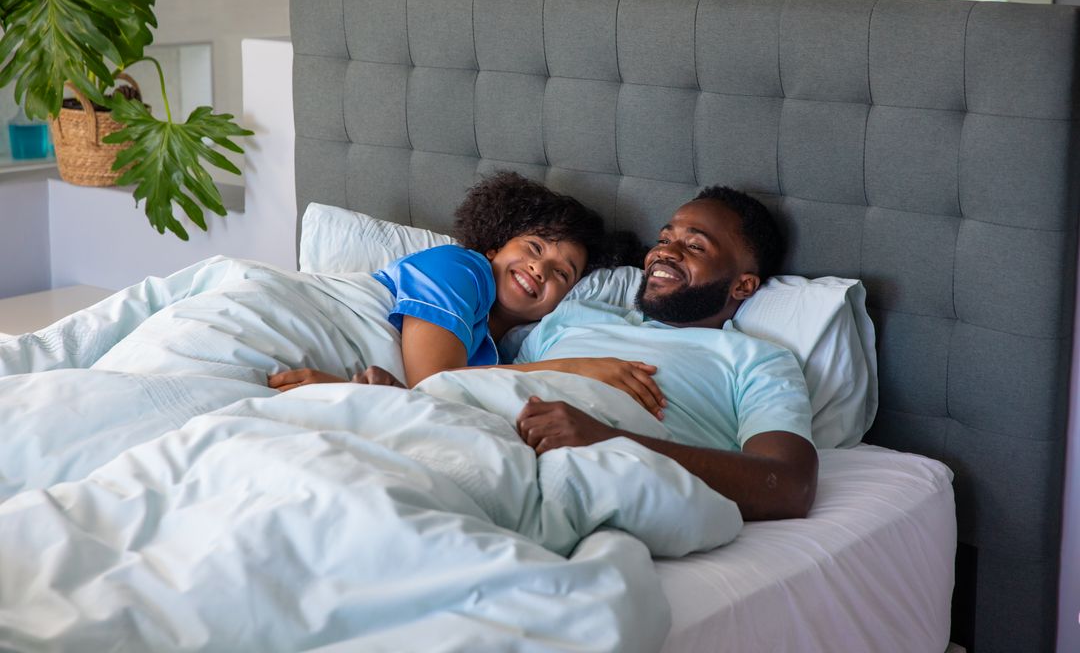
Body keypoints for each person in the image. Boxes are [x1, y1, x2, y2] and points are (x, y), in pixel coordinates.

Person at [513, 187, 818, 521]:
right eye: (663, 239)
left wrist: (608, 442)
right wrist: (571, 367)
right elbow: (481, 386)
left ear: (743, 286)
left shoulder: (756, 360)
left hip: (578, 481)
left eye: (695, 246)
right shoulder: (571, 316)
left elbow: (790, 486)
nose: (664, 253)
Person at [268, 172, 666, 416]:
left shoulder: (503, 352)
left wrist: (347, 392)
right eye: (534, 247)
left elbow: (433, 403)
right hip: (287, 324)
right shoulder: (461, 268)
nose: (539, 269)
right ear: (493, 248)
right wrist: (575, 368)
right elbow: (436, 383)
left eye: (562, 273)